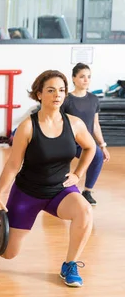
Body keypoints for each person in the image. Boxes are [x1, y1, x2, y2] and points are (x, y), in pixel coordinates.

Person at [0, 70, 96, 287]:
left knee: (85, 211)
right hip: (28, 193)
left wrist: (78, 174)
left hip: (60, 191)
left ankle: (70, 264)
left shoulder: (74, 124)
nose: (57, 95)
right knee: (8, 255)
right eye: (51, 90)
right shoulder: (27, 127)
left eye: (61, 90)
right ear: (39, 94)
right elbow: (13, 164)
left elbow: (90, 148)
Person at [60, 63, 111, 205]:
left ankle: (87, 191)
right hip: (67, 141)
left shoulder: (94, 99)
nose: (86, 80)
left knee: (98, 156)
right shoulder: (66, 99)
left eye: (88, 77)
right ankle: (58, 187)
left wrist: (102, 145)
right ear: (74, 79)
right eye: (82, 76)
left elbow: (95, 124)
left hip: (85, 143)